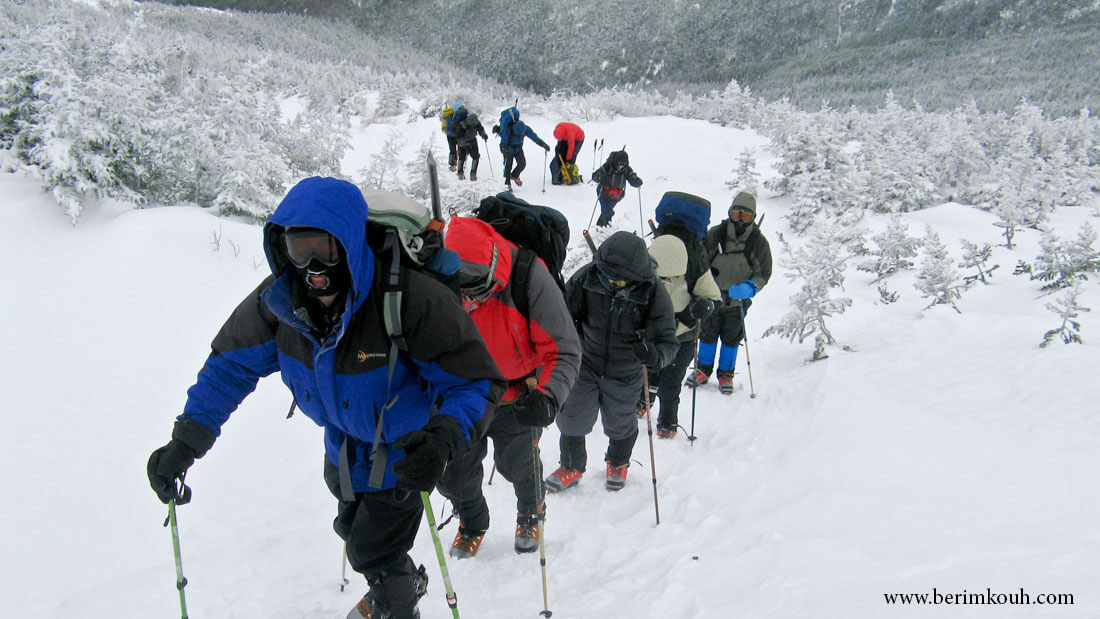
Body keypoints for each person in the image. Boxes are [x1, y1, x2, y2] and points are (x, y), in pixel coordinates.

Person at [145, 178, 506, 619]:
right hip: (342, 446)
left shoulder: (409, 299)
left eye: (325, 250)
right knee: (352, 530)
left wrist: (444, 438)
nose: (313, 266)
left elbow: (475, 381)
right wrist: (186, 442)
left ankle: (399, 599)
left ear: (351, 246)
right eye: (300, 251)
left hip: (406, 450)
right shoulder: (279, 304)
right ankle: (397, 580)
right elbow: (229, 367)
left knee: (372, 548)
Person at [436, 216, 581, 558]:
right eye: (460, 287)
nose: (468, 297)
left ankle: (530, 513)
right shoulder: (437, 278)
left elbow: (563, 348)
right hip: (457, 395)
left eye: (475, 286)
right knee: (453, 473)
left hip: (517, 393)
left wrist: (548, 397)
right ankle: (473, 521)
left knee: (519, 464)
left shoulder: (528, 276)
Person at [546, 231, 677, 492]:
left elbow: (668, 342)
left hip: (626, 370)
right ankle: (571, 465)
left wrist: (655, 356)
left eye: (620, 279)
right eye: (608, 276)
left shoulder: (653, 291)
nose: (613, 282)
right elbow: (562, 315)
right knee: (572, 415)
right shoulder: (588, 276)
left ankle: (618, 462)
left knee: (620, 422)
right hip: (586, 362)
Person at [686, 191, 772, 395]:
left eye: (746, 216)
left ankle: (726, 373)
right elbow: (700, 261)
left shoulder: (758, 243)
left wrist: (751, 287)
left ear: (753, 218)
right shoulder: (716, 234)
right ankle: (703, 369)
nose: (740, 220)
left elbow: (764, 273)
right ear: (730, 213)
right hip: (712, 296)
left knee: (731, 337)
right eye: (736, 214)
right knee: (707, 334)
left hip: (737, 301)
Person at [645, 231, 721, 438]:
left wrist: (702, 307)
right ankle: (643, 402)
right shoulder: (644, 270)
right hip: (654, 334)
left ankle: (668, 422)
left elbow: (714, 297)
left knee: (671, 382)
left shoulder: (695, 270)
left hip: (683, 336)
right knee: (648, 373)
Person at [492, 105, 550, 191]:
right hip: (508, 147)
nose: (520, 135)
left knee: (522, 163)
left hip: (518, 147)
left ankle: (514, 175)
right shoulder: (508, 129)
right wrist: (504, 149)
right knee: (508, 164)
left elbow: (534, 137)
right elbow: (504, 139)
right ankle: (507, 182)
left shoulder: (525, 129)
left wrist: (544, 144)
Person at [591, 150, 642, 227]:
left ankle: (600, 226)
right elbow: (596, 175)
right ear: (616, 161)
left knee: (606, 211)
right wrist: (599, 177)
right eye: (619, 163)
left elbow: (632, 177)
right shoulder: (608, 166)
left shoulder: (627, 169)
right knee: (607, 210)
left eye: (623, 164)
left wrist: (636, 181)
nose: (621, 165)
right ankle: (605, 227)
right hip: (603, 193)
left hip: (617, 196)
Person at [454, 110, 488, 181]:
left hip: (470, 141)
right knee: (465, 157)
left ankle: (466, 173)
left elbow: (480, 129)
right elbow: (458, 136)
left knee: (473, 157)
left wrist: (484, 135)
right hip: (465, 143)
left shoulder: (474, 122)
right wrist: (465, 143)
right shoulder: (462, 124)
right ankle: (466, 173)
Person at [442, 103, 460, 172]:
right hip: (457, 135)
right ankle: (460, 162)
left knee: (452, 150)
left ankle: (452, 165)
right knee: (460, 148)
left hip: (449, 135)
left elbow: (444, 127)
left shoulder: (445, 116)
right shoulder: (456, 115)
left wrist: (446, 131)